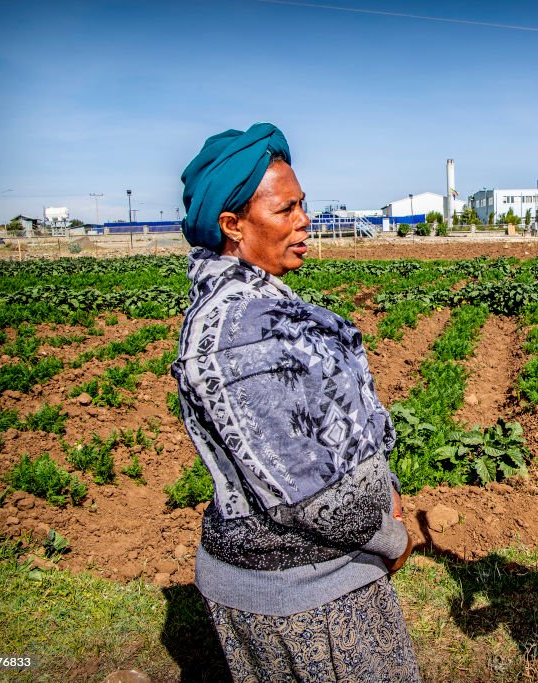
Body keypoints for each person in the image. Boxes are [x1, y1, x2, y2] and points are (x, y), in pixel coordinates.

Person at [171, 123, 420, 682]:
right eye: (286, 210)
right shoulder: (241, 331)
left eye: (302, 205)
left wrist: (387, 495)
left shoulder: (259, 304)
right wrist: (392, 536)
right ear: (231, 225)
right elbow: (307, 497)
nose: (304, 220)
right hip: (301, 592)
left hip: (324, 573)